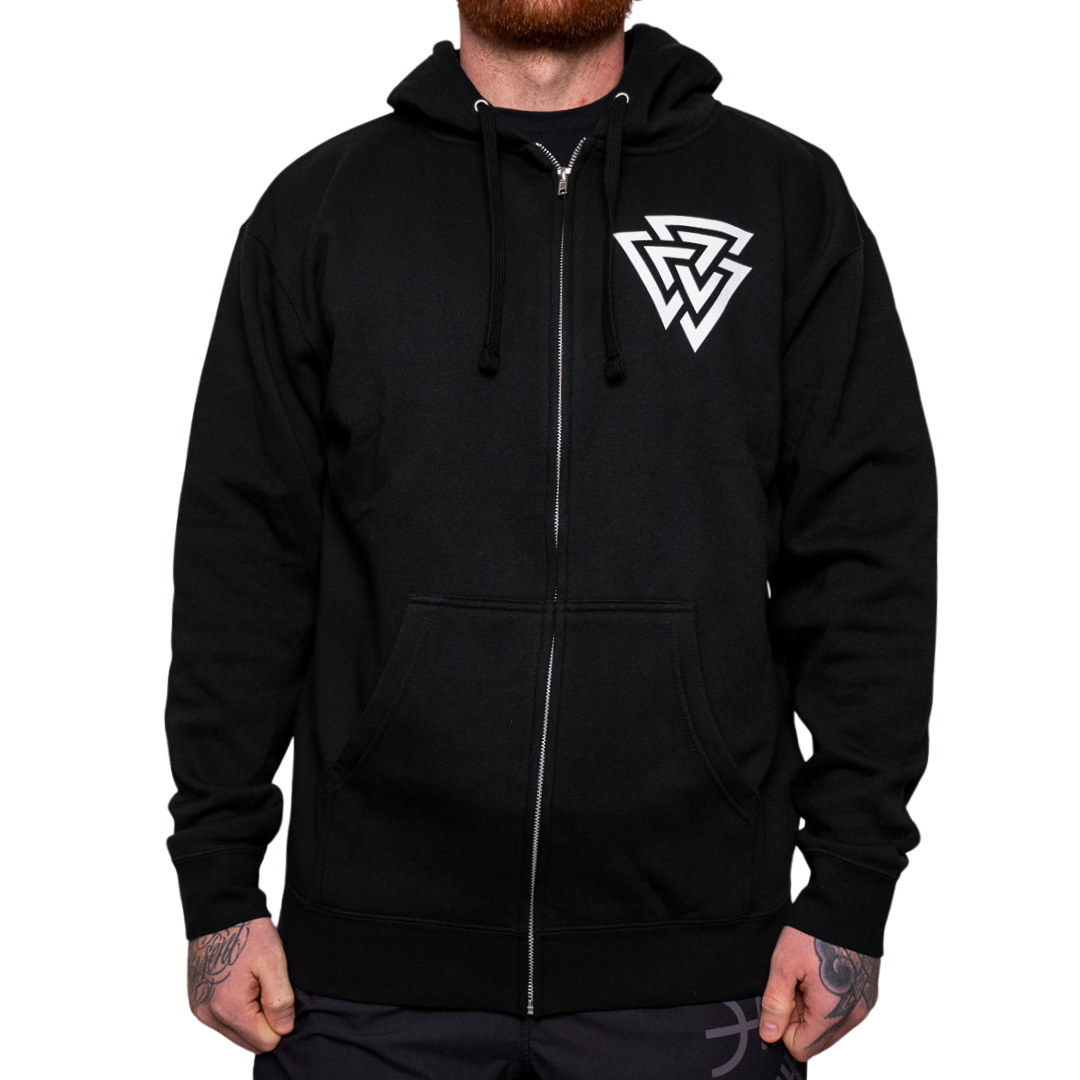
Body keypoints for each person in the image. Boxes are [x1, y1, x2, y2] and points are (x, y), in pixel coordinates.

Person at [165, 2, 937, 1077]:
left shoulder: (782, 201)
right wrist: (218, 881)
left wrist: (851, 884)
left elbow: (865, 552)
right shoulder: (326, 210)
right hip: (367, 972)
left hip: (699, 965)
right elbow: (241, 561)